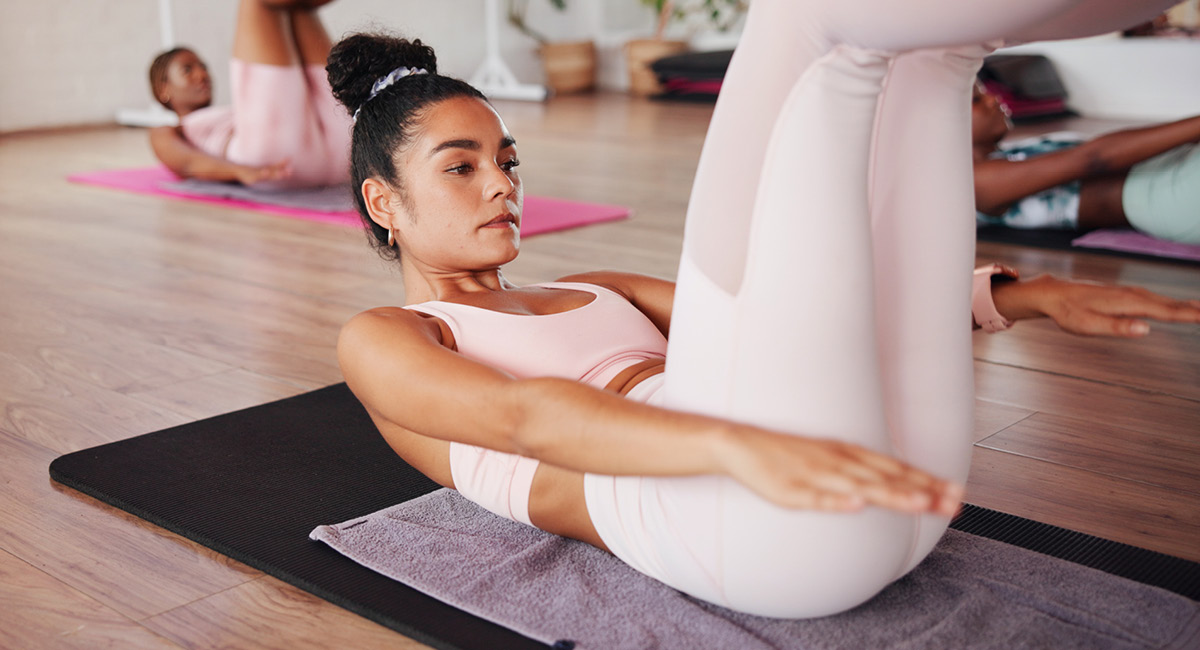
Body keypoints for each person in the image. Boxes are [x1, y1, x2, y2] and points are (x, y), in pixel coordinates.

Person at [329, 21, 1200, 620]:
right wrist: (735, 445)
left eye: (508, 160)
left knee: (926, 89)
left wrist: (1025, 297)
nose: (503, 185)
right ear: (384, 201)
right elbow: (529, 418)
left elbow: (791, 319)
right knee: (763, 225)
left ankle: (945, 51)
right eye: (462, 166)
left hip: (886, 491)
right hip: (733, 527)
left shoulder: (593, 285)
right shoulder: (388, 337)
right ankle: (819, 37)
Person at [147, 0, 351, 188]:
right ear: (163, 89)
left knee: (298, 7)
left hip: (343, 150)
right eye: (187, 70)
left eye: (203, 66)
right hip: (276, 160)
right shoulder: (174, 129)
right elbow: (185, 163)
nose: (202, 74)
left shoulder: (232, 113)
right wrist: (240, 170)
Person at [973, 82, 1200, 243]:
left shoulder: (1009, 153)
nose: (993, 98)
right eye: (976, 99)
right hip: (1161, 195)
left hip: (1165, 171)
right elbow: (1095, 158)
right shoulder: (978, 181)